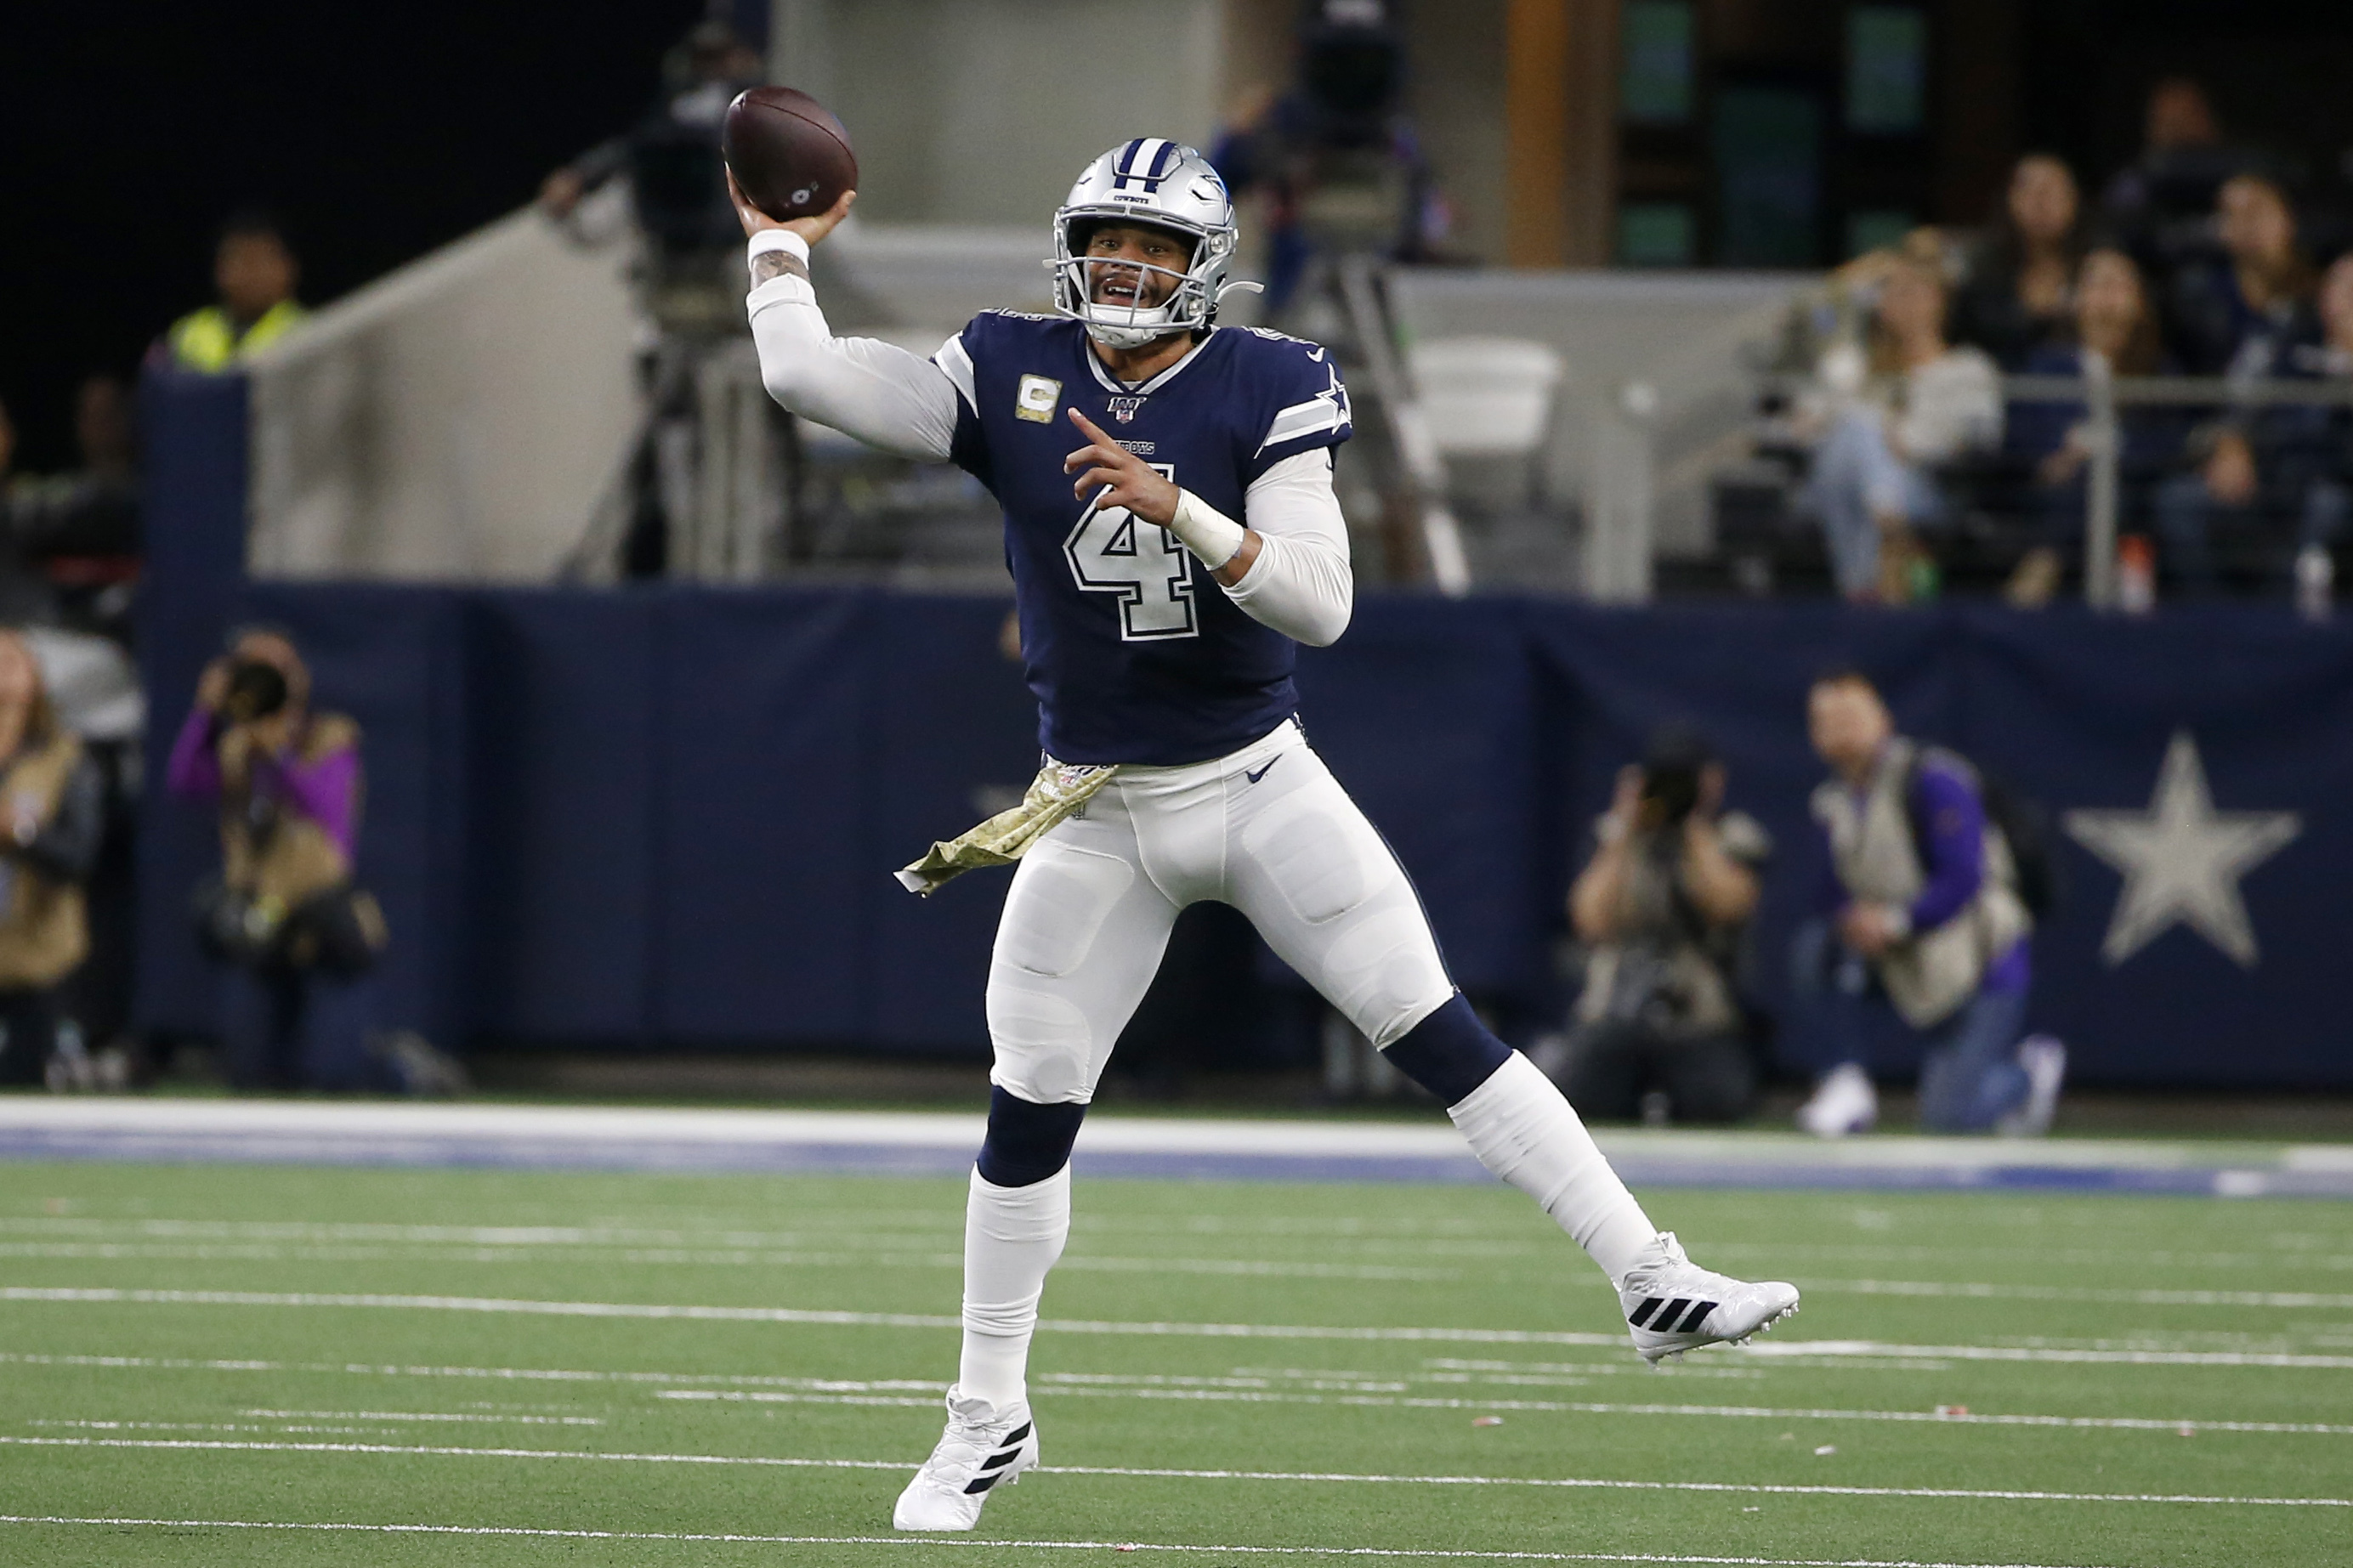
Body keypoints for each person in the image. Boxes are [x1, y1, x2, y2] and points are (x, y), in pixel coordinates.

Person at [734, 137, 1798, 1531]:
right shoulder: (1005, 365)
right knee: (1028, 1098)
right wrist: (775, 241)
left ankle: (1651, 1277)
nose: (1124, 266)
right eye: (1105, 239)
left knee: (1435, 1029)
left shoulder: (1271, 379)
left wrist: (1180, 504)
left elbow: (1318, 600)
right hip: (1095, 806)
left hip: (1251, 781)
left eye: (1153, 248)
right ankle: (984, 1416)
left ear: (1203, 269)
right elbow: (801, 376)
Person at [1790, 670, 2063, 1139]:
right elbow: (1828, 891)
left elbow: (1963, 878)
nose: (1838, 728)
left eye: (1849, 715)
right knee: (1816, 949)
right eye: (1824, 719)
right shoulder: (1832, 802)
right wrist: (1853, 920)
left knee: (1948, 1118)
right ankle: (1845, 1077)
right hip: (1907, 961)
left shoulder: (1933, 778)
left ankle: (2025, 1075)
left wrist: (1894, 921)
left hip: (1980, 961)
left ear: (1882, 718)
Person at [166, 627, 388, 1090]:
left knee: (331, 1072)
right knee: (250, 1071)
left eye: (275, 669)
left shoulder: (331, 736)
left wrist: (280, 754)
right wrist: (206, 713)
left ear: (298, 678)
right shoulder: (234, 749)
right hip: (259, 916)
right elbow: (185, 782)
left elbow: (323, 809)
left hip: (319, 910)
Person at [1551, 727, 1766, 1125]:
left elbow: (1729, 905)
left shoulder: (1732, 835)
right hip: (1616, 1009)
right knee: (1576, 1100)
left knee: (1720, 1105)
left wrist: (1692, 823)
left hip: (1699, 1011)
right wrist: (1626, 826)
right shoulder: (1613, 837)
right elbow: (1590, 921)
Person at [2154, 174, 2324, 594]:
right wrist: (2219, 443)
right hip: (2211, 463)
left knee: (2326, 504)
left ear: (2289, 221)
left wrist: (2253, 447)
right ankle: (2214, 632)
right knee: (2177, 502)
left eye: (2259, 211)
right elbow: (2180, 392)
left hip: (2292, 462)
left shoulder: (2318, 304)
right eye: (2232, 213)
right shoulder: (2195, 300)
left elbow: (2317, 397)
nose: (2247, 224)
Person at [1800, 258, 2002, 603]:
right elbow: (1808, 425)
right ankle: (1888, 536)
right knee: (1858, 429)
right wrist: (1874, 428)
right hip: (1845, 485)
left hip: (1927, 487)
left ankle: (1861, 586)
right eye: (1894, 294)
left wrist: (1904, 439)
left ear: (1940, 301)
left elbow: (1979, 435)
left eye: (1915, 293)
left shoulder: (1968, 368)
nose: (1905, 303)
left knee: (1864, 434)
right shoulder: (1857, 367)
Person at [2003, 248, 2179, 606]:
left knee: (2096, 479)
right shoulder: (2045, 366)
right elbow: (2022, 435)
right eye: (2097, 286)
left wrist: (2102, 447)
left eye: (2119, 287)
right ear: (2075, 301)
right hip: (2050, 491)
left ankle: (2041, 570)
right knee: (2077, 483)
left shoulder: (2159, 373)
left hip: (2129, 496)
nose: (2107, 300)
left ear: (2140, 304)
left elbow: (2167, 444)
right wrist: (2060, 455)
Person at [0, 631, 105, 1088]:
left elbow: (77, 857)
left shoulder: (63, 758)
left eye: (9, 661)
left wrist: (19, 834)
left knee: (27, 1092)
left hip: (35, 955)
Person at [2099, 77, 2252, 282]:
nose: (2177, 127)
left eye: (2185, 116)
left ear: (2208, 118)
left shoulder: (2244, 177)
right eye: (2167, 119)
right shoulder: (2132, 185)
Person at [1950, 154, 2087, 371]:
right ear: (2010, 200)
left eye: (2052, 192)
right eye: (2030, 191)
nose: (2041, 203)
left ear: (2074, 200)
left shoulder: (2096, 267)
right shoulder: (1983, 274)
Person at [160, 212, 309, 373]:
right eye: (238, 260)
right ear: (218, 269)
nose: (251, 273)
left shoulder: (309, 332)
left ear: (289, 267)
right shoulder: (187, 332)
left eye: (262, 261)